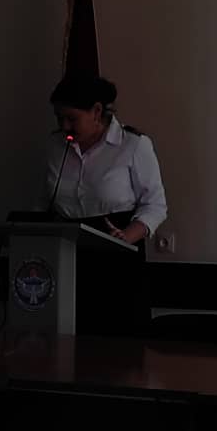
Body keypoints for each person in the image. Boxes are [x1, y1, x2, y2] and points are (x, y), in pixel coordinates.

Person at [46, 75, 168, 335]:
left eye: (71, 118)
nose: (64, 126)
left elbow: (155, 205)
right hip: (66, 258)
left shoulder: (133, 145)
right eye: (59, 118)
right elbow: (46, 199)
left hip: (116, 256)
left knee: (117, 345)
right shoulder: (56, 146)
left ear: (96, 111)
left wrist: (127, 236)